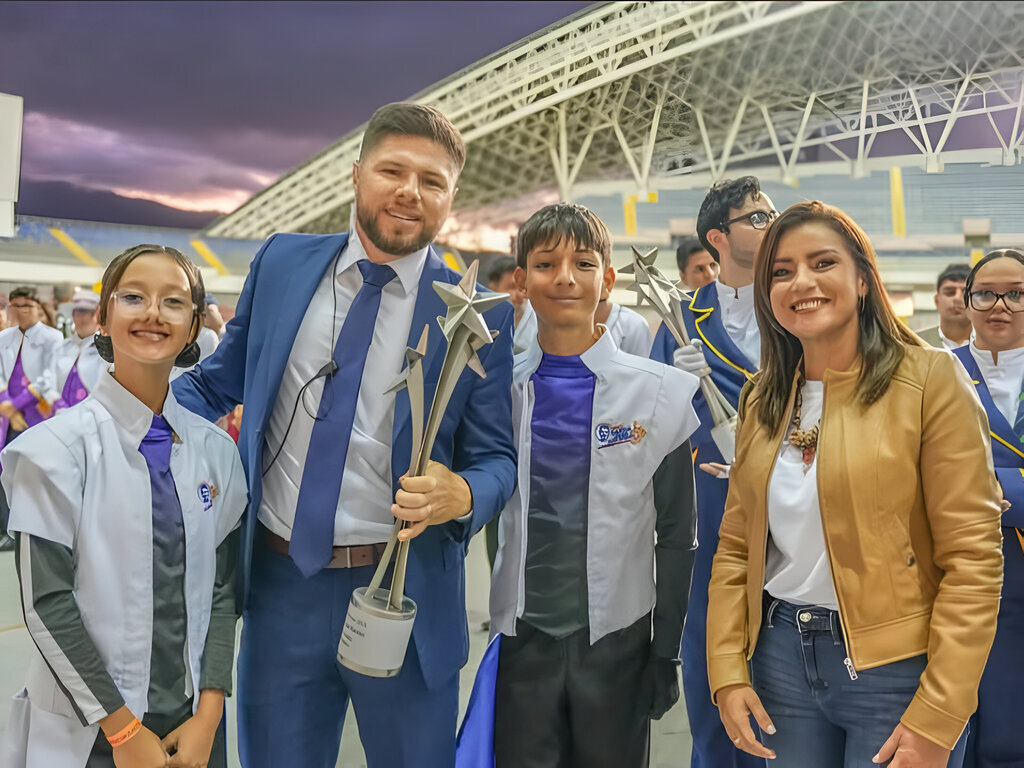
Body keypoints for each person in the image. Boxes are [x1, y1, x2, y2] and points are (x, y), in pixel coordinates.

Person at [172, 102, 516, 768]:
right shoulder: (282, 265)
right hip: (280, 589)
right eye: (393, 169)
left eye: (432, 180)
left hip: (406, 599)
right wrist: (117, 414)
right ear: (357, 175)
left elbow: (496, 457)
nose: (410, 191)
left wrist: (464, 494)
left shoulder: (476, 316)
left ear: (451, 199)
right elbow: (216, 384)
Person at [707, 201, 1003, 768]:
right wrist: (726, 669)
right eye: (782, 271)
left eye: (823, 263)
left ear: (863, 279)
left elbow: (973, 559)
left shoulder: (930, 381)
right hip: (780, 662)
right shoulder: (762, 398)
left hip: (898, 671)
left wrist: (941, 712)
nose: (802, 283)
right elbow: (737, 547)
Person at [0, 244, 246, 768]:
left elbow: (224, 595)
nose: (154, 312)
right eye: (134, 296)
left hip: (192, 730)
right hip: (92, 732)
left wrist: (209, 714)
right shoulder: (54, 451)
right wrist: (122, 729)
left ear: (193, 327)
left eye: (174, 302)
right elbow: (48, 606)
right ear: (105, 318)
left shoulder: (217, 454)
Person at [484, 202, 699, 767]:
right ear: (522, 282)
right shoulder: (497, 395)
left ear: (607, 278)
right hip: (523, 641)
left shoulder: (660, 394)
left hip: (618, 646)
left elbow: (677, 537)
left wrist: (665, 652)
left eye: (582, 263)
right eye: (545, 263)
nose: (564, 278)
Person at [650, 176, 775, 768]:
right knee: (712, 686)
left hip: (796, 518)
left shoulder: (800, 305)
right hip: (709, 519)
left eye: (772, 211)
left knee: (785, 692)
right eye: (756, 216)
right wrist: (671, 389)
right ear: (717, 237)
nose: (770, 221)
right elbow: (648, 434)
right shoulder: (679, 321)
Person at [952, 249, 1024, 768]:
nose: (1001, 305)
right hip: (957, 575)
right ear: (967, 300)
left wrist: (980, 488)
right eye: (986, 293)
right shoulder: (932, 373)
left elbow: (944, 482)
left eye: (1017, 294)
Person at [0, 286, 63, 552]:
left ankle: (39, 528)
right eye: (16, 306)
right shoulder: (4, 337)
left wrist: (17, 406)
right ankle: (6, 529)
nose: (21, 312)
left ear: (37, 307)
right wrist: (8, 408)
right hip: (6, 415)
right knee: (5, 471)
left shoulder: (53, 338)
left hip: (37, 414)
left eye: (26, 306)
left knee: (36, 471)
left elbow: (49, 377)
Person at [52, 290, 104, 408]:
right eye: (76, 312)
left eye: (84, 312)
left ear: (97, 314)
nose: (79, 317)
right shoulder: (62, 348)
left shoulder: (106, 351)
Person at [917, 264, 971, 349]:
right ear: (937, 300)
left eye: (965, 293)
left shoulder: (993, 344)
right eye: (950, 292)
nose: (957, 298)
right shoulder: (914, 343)